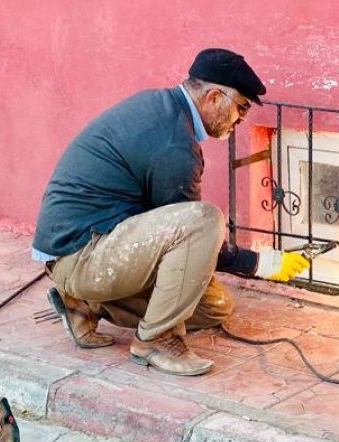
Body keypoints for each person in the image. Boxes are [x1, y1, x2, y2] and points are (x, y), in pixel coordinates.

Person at [31, 48, 310, 377]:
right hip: (83, 255)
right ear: (214, 97)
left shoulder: (163, 108)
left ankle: (84, 304)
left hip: (92, 246)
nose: (241, 119)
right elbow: (192, 230)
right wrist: (263, 264)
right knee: (205, 220)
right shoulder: (173, 143)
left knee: (212, 307)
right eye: (242, 107)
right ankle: (156, 340)